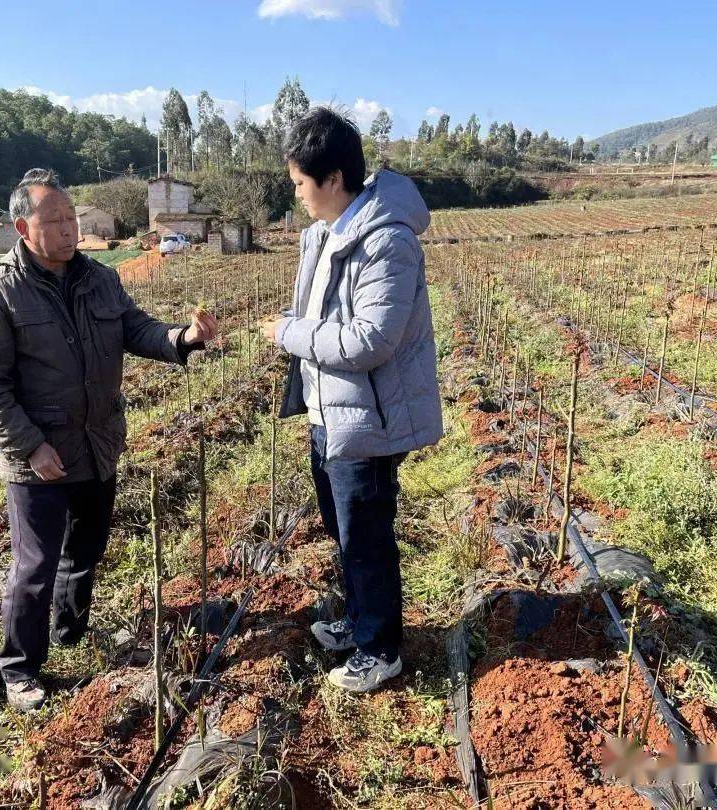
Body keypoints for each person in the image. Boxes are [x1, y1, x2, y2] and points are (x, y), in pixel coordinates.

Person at [0, 168, 219, 710]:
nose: (67, 228)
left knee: (86, 551)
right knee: (34, 565)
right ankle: (19, 669)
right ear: (21, 227)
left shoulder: (101, 279)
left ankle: (68, 633)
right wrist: (30, 445)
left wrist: (185, 337)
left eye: (71, 217)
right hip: (42, 458)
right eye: (53, 219)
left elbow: (136, 329)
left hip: (98, 444)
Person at [260, 108, 443, 693]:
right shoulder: (325, 235)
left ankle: (382, 647)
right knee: (342, 531)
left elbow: (370, 340)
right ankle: (361, 619)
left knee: (366, 535)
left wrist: (287, 333)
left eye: (300, 185)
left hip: (368, 418)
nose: (298, 198)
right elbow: (318, 315)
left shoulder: (387, 242)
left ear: (333, 178)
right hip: (330, 411)